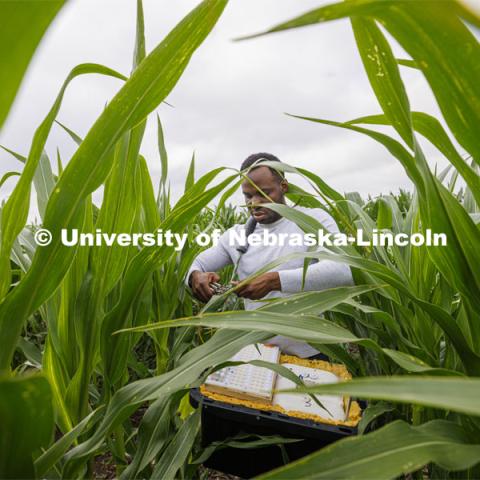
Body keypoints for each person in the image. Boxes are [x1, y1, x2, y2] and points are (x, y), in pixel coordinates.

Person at [185, 153, 354, 358]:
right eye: (248, 196)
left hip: (309, 354)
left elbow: (342, 271)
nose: (254, 203)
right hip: (255, 355)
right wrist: (196, 276)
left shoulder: (312, 221)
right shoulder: (236, 236)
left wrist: (273, 281)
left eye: (263, 193)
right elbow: (198, 264)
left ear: (283, 186)